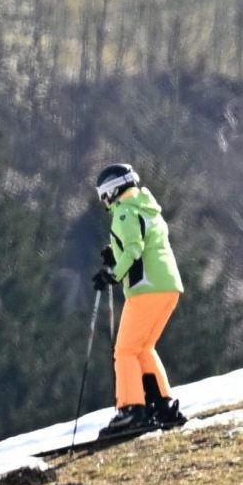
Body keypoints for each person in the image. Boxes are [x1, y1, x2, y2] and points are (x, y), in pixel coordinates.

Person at [90, 162, 186, 443]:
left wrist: (112, 274)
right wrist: (115, 255)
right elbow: (140, 244)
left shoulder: (124, 212)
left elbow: (134, 249)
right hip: (168, 287)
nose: (105, 204)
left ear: (112, 192)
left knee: (125, 351)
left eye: (104, 197)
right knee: (143, 348)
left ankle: (131, 408)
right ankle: (162, 404)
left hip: (146, 289)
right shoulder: (146, 208)